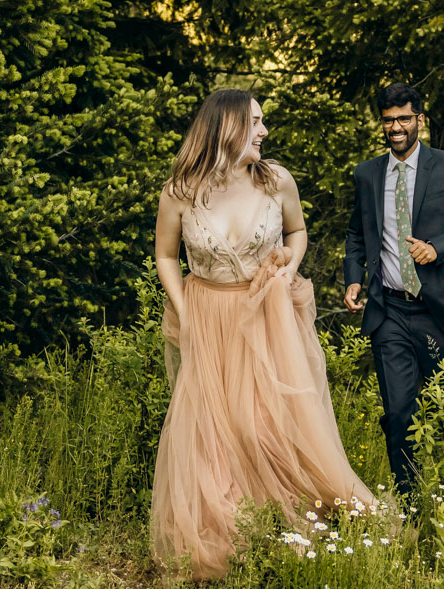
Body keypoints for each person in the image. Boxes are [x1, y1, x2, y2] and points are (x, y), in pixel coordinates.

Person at [149, 88, 374, 580]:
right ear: (226, 127)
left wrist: (290, 263)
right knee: (212, 426)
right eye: (255, 121)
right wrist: (185, 312)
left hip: (263, 312)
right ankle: (226, 528)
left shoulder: (275, 180)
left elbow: (297, 232)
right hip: (207, 313)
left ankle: (287, 518)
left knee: (264, 422)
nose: (264, 131)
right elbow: (167, 256)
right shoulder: (181, 190)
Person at [343, 82, 444, 496]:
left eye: (404, 119)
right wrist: (354, 277)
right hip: (389, 310)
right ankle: (409, 505)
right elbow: (357, 234)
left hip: (439, 312)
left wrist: (438, 248)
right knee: (397, 414)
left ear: (419, 121)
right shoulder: (367, 173)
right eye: (389, 120)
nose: (396, 127)